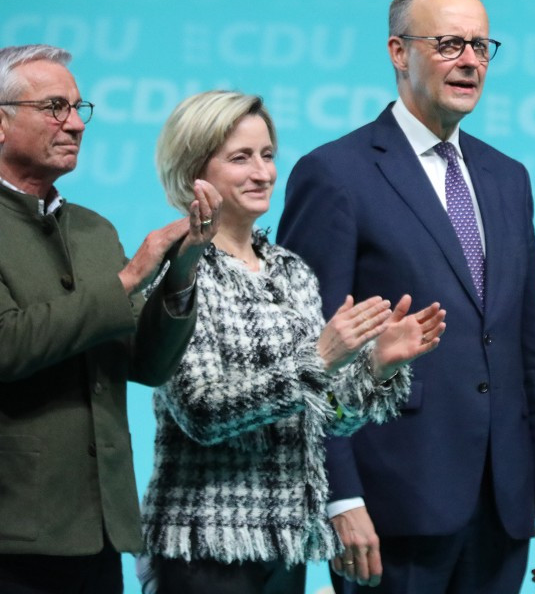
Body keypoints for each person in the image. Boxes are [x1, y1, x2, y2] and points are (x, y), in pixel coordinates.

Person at [278, 0, 535, 594]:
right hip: (392, 507)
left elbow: (528, 351)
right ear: (398, 52)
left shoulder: (509, 178)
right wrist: (340, 496)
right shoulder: (335, 174)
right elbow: (307, 356)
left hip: (503, 508)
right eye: (448, 44)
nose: (470, 61)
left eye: (480, 46)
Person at [141, 91, 446, 594]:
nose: (263, 173)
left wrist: (376, 367)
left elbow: (325, 419)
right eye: (241, 158)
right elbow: (201, 412)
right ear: (194, 171)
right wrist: (320, 359)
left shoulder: (291, 271)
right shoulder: (177, 270)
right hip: (206, 543)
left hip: (286, 543)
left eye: (267, 155)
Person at [0, 44, 218, 593]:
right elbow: (8, 345)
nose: (75, 124)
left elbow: (146, 364)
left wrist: (181, 272)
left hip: (99, 530)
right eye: (55, 107)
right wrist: (128, 279)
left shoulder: (94, 229)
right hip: (13, 528)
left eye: (78, 108)